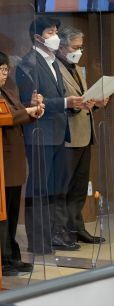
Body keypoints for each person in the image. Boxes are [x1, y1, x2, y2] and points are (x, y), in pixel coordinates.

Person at [15, 17, 85, 254]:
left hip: (58, 134)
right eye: (51, 32)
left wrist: (73, 104)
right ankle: (37, 241)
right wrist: (65, 102)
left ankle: (51, 236)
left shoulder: (54, 61)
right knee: (39, 189)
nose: (55, 35)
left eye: (56, 31)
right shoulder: (29, 63)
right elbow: (30, 101)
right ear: (37, 37)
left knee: (55, 189)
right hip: (39, 134)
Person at [0, 51, 44, 276]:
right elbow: (7, 117)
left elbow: (17, 111)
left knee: (13, 212)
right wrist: (28, 111)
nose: (6, 73)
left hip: (13, 159)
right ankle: (0, 259)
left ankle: (12, 257)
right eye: (1, 69)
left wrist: (31, 107)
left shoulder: (6, 91)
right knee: (1, 214)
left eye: (7, 69)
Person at [57, 26, 108, 244]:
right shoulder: (54, 68)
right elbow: (60, 102)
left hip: (85, 133)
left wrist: (96, 103)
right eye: (74, 47)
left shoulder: (76, 67)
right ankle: (60, 232)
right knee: (63, 187)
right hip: (67, 135)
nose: (78, 51)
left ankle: (76, 228)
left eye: (81, 47)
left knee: (79, 187)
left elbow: (82, 97)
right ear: (61, 47)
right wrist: (78, 105)